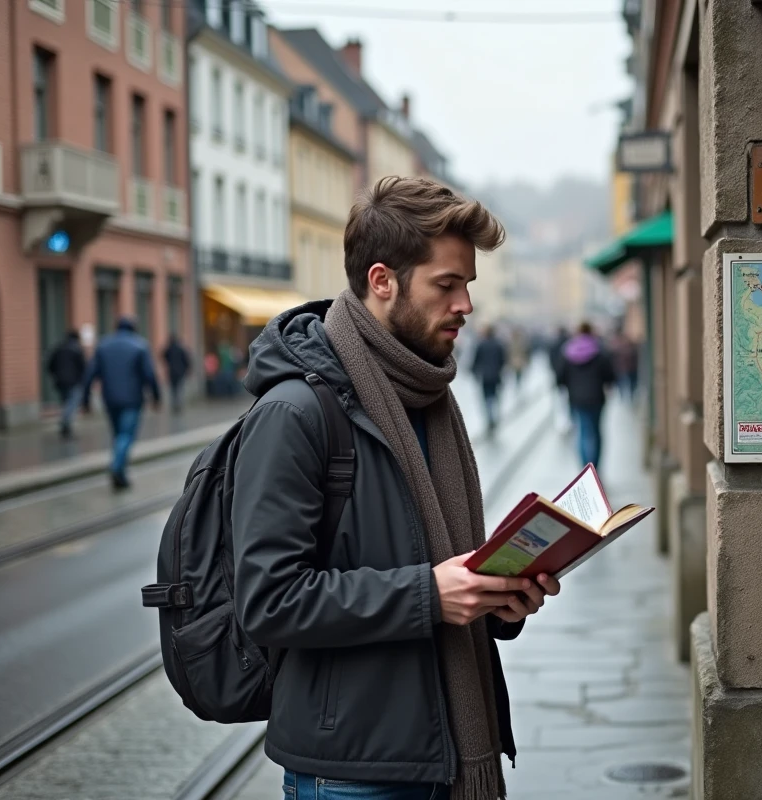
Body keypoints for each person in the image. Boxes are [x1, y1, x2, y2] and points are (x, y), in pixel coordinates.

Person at [230, 176, 560, 800]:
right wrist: (430, 596)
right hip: (356, 770)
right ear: (383, 281)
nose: (466, 304)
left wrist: (497, 599)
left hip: (448, 750)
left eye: (468, 285)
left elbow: (437, 567)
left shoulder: (430, 400)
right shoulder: (295, 413)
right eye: (447, 284)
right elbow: (268, 601)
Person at [81, 317, 160, 489]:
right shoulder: (140, 345)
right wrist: (156, 397)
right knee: (126, 435)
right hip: (132, 399)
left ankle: (121, 474)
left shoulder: (103, 345)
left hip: (109, 399)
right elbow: (150, 374)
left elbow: (90, 374)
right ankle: (117, 468)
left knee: (118, 436)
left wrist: (85, 399)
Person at [556, 321, 615, 471]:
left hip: (576, 398)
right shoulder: (599, 351)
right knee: (596, 432)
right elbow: (610, 376)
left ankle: (585, 468)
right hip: (596, 398)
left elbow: (560, 378)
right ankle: (595, 466)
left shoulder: (567, 352)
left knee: (582, 432)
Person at [46, 330, 87, 438]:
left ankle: (66, 425)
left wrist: (55, 375)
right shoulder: (77, 350)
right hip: (73, 382)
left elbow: (50, 365)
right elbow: (83, 367)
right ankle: (65, 424)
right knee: (72, 403)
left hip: (60, 381)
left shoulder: (58, 348)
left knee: (66, 403)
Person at [470, 324, 506, 434]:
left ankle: (489, 417)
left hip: (485, 376)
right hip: (496, 375)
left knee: (486, 398)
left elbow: (476, 361)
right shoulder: (499, 345)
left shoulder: (481, 344)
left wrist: (474, 372)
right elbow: (503, 360)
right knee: (494, 396)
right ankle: (493, 416)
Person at [161, 335, 191, 413]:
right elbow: (186, 360)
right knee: (179, 388)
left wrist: (168, 363)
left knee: (173, 389)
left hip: (172, 372)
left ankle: (174, 404)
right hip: (180, 371)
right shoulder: (180, 349)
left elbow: (163, 356)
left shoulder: (169, 349)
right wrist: (187, 369)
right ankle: (179, 404)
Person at [609, 330, 639, 400]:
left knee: (630, 384)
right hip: (622, 369)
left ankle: (629, 396)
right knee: (623, 384)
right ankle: (623, 396)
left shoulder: (630, 348)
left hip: (629, 369)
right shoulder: (619, 348)